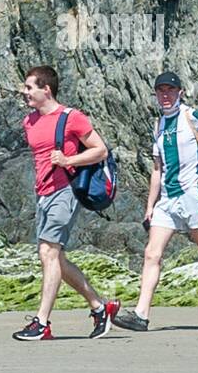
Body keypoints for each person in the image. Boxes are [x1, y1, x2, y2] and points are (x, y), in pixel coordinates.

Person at [113, 71, 198, 332]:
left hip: (193, 193)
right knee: (152, 253)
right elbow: (157, 169)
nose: (165, 95)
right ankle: (141, 314)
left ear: (180, 92)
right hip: (167, 199)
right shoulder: (159, 124)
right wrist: (150, 205)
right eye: (161, 90)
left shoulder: (191, 116)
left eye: (170, 90)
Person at [13, 65, 120, 341]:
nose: (24, 92)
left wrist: (68, 160)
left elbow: (100, 150)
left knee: (49, 253)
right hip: (43, 193)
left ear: (45, 89)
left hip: (65, 191)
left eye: (29, 87)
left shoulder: (72, 118)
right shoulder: (29, 121)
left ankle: (42, 322)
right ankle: (99, 306)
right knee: (55, 258)